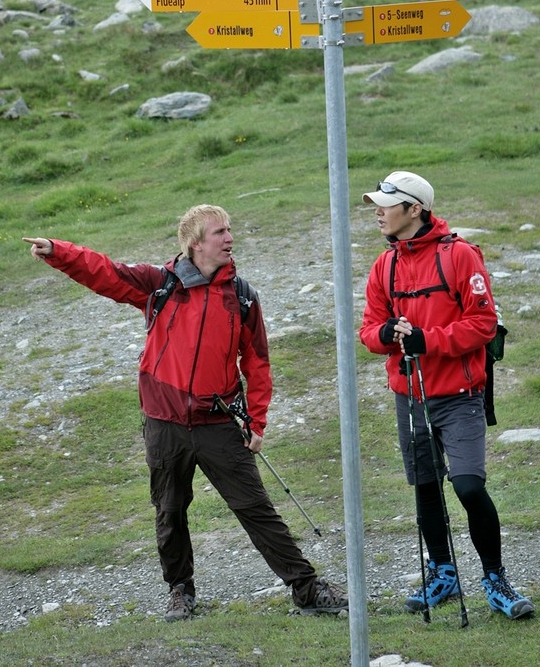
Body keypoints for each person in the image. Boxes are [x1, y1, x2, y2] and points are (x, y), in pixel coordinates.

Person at [23, 204, 347, 622]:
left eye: (230, 229)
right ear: (195, 244)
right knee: (170, 510)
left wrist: (257, 420)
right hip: (165, 421)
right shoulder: (159, 284)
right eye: (219, 232)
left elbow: (258, 362)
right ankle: (180, 590)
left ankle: (305, 588)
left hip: (219, 421)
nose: (229, 237)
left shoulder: (243, 296)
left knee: (255, 508)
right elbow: (105, 272)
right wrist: (58, 251)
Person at [358, 172, 534, 620]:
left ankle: (494, 577)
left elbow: (483, 324)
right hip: (410, 394)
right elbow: (368, 331)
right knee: (425, 487)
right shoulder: (384, 266)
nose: (378, 211)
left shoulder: (460, 256)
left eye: (387, 204)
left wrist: (426, 340)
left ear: (414, 209)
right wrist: (384, 333)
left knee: (469, 485)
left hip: (460, 395)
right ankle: (443, 573)